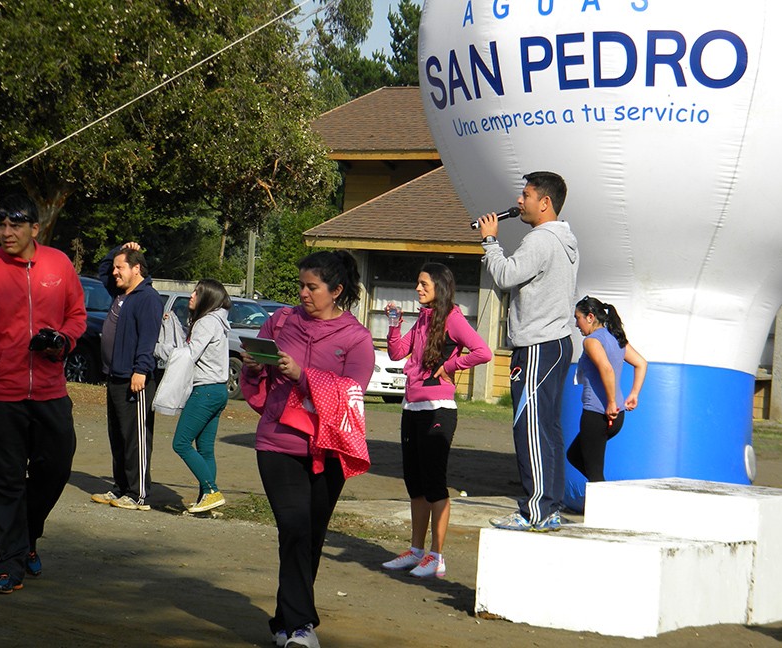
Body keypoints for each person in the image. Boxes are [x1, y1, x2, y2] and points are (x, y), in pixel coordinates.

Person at [241, 250, 375, 648]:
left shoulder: (357, 339)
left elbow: (353, 394)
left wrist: (303, 375)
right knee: (295, 526)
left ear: (336, 290)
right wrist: (253, 367)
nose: (302, 293)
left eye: (311, 287)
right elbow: (257, 379)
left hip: (329, 449)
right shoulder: (280, 321)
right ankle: (302, 626)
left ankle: (285, 622)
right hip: (277, 443)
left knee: (310, 536)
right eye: (300, 285)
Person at [0, 194, 86, 594]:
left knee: (57, 468)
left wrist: (62, 340)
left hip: (50, 392)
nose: (6, 232)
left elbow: (77, 316)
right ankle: (10, 564)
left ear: (35, 228)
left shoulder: (59, 265)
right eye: (1, 225)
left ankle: (27, 534)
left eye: (15, 225)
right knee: (5, 482)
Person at [477, 171, 579, 532]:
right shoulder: (564, 239)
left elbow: (506, 276)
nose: (519, 202)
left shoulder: (540, 239)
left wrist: (490, 241)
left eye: (526, 195)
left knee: (530, 428)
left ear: (545, 202)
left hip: (537, 345)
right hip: (556, 343)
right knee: (546, 428)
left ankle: (536, 511)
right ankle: (549, 507)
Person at [380, 263, 492, 579]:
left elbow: (483, 352)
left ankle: (436, 556)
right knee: (414, 483)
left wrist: (451, 366)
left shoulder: (453, 318)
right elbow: (396, 353)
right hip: (411, 407)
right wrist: (394, 324)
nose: (418, 288)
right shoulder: (423, 318)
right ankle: (416, 551)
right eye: (417, 283)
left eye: (423, 283)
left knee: (433, 483)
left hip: (438, 408)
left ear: (439, 287)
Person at [91, 242, 163, 511]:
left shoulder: (147, 298)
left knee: (135, 437)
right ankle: (120, 487)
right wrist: (118, 249)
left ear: (137, 269)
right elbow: (101, 271)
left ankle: (137, 493)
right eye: (115, 267)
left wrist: (141, 370)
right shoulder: (122, 294)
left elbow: (148, 338)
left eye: (120, 267)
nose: (114, 272)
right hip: (115, 375)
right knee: (118, 436)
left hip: (136, 378)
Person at [156, 279, 232, 513]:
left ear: (207, 298)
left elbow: (189, 354)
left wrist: (160, 348)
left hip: (205, 391)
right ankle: (206, 501)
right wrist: (174, 325)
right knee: (205, 449)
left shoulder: (206, 322)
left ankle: (211, 490)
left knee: (180, 442)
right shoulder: (218, 321)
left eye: (197, 292)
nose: (191, 295)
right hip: (219, 390)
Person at [567, 296, 647, 482]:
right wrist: (634, 394)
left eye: (577, 318)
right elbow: (641, 363)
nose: (576, 324)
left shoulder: (591, 341)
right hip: (617, 416)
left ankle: (607, 495)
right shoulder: (615, 337)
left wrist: (611, 403)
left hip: (598, 414)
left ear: (590, 317)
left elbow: (606, 369)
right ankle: (606, 491)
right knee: (574, 455)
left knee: (594, 473)